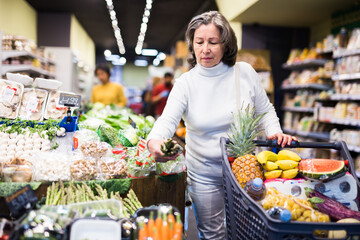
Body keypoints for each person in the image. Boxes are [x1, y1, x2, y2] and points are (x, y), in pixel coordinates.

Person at [146, 11, 297, 240]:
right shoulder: (186, 83)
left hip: (244, 169)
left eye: (212, 42)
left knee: (248, 231)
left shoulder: (244, 73)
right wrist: (154, 139)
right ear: (192, 44)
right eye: (199, 42)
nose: (205, 49)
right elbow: (167, 120)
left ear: (226, 44)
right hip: (204, 173)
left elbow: (264, 109)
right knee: (213, 234)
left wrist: (274, 131)